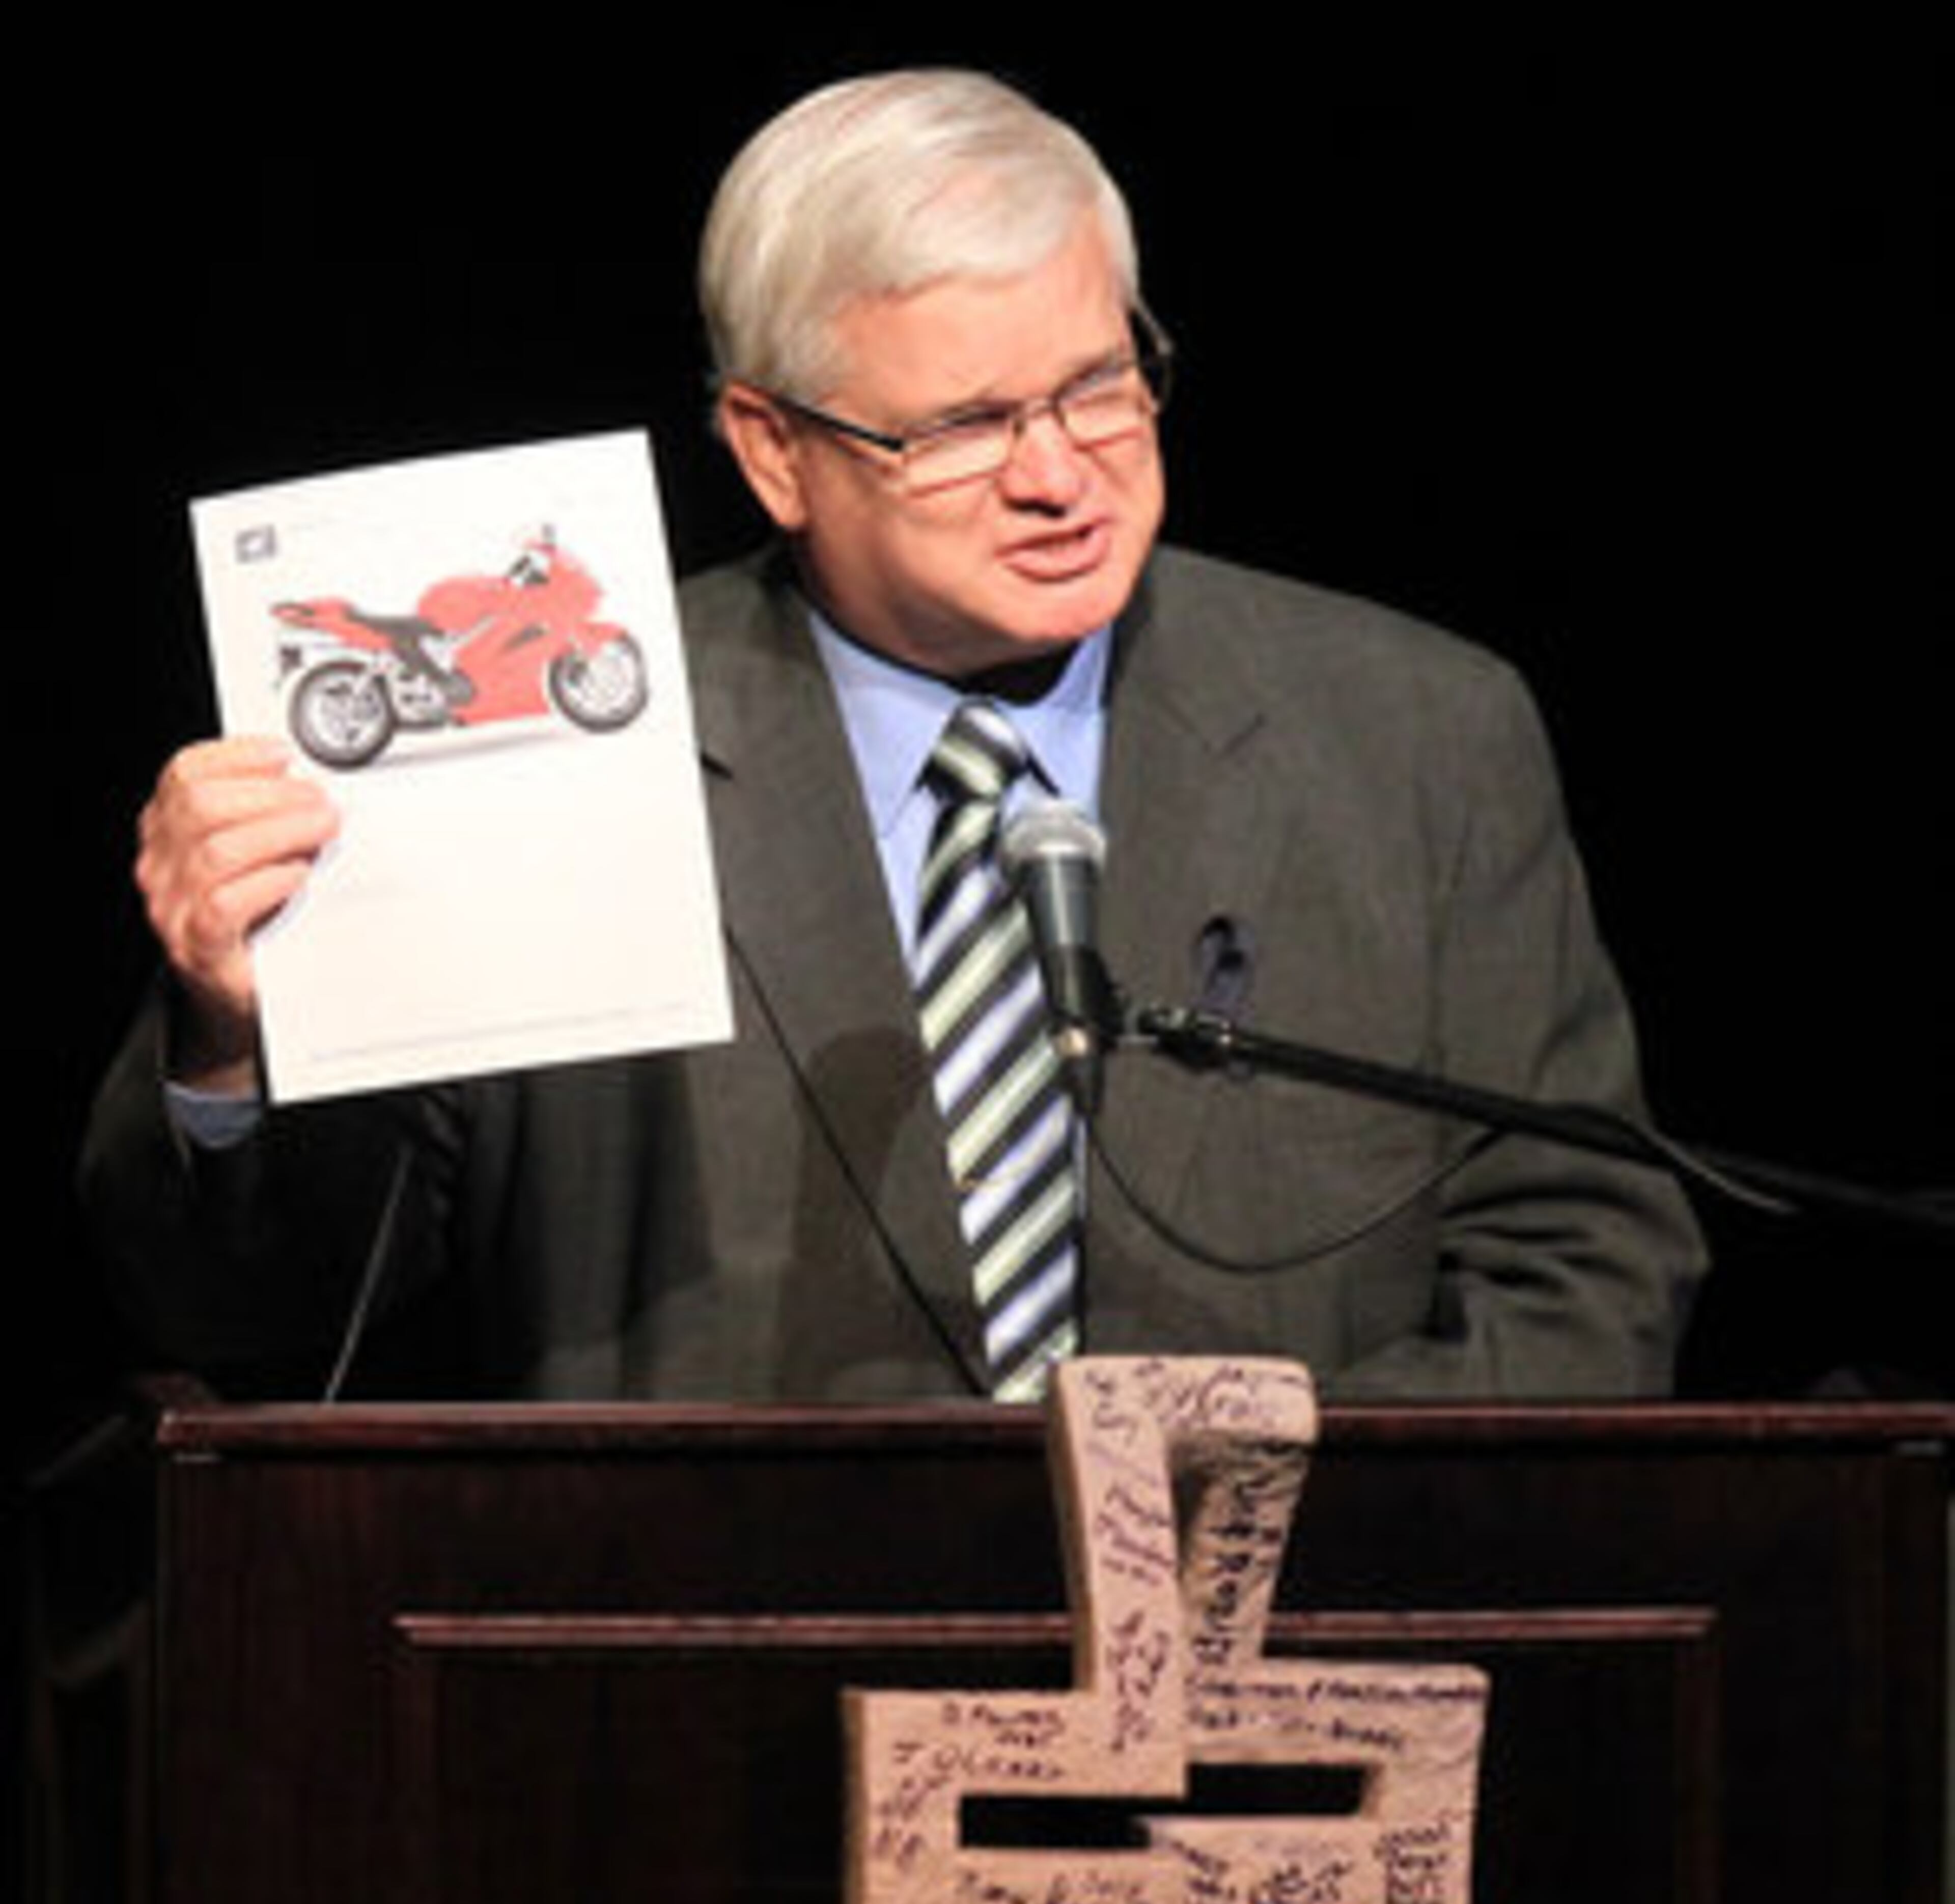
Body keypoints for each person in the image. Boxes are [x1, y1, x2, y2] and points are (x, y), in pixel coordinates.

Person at [80, 67, 1705, 1404]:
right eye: (968, 425)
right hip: (707, 1730)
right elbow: (254, 1306)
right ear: (774, 451)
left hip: (1276, 1719)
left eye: (1099, 383)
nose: (1063, 472)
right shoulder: (559, 757)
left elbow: (1587, 1267)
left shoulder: (1420, 738)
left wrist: (1215, 1533)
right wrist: (235, 1036)